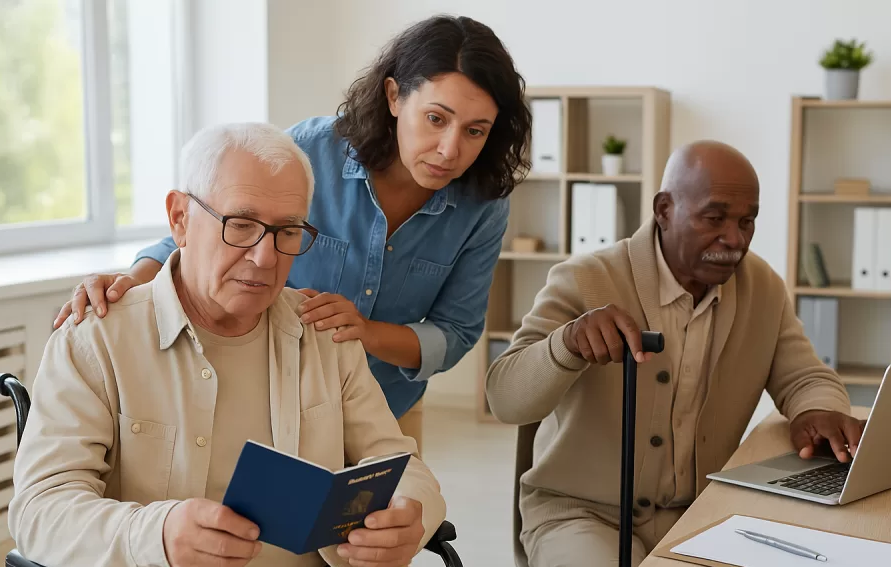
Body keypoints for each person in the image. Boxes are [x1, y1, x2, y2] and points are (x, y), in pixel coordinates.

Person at [9, 122, 483, 567]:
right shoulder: (98, 338)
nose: (265, 257)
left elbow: (401, 465)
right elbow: (38, 512)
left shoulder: (323, 334)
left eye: (288, 231)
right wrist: (157, 533)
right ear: (180, 218)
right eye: (240, 225)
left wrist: (410, 514)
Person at [52, 14, 532, 455]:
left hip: (387, 407)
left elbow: (455, 333)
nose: (450, 149)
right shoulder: (310, 151)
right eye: (436, 119)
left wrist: (366, 333)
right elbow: (204, 229)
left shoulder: (484, 204)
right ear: (393, 97)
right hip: (276, 401)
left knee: (392, 519)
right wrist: (126, 283)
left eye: (475, 131)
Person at [485, 141, 865, 567]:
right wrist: (566, 344)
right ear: (664, 209)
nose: (734, 239)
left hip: (705, 513)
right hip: (579, 513)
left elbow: (806, 375)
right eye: (715, 218)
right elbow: (504, 396)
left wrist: (819, 408)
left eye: (747, 221)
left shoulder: (762, 288)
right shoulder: (584, 279)